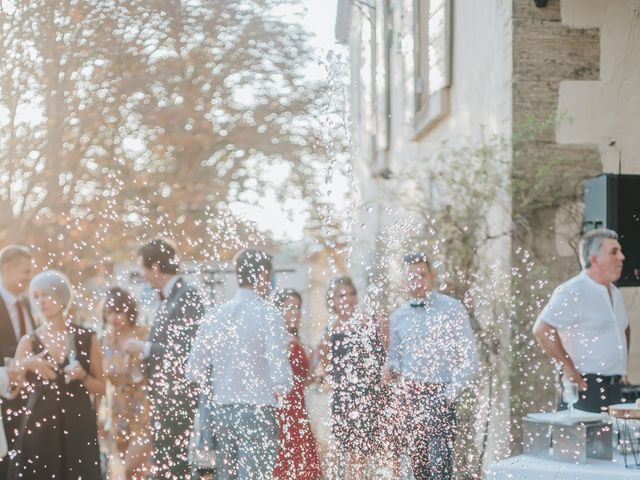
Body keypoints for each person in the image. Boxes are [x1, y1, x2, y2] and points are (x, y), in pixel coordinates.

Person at [186, 249, 292, 480]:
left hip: (222, 410)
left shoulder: (216, 315)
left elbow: (193, 370)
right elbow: (281, 376)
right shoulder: (269, 315)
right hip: (259, 408)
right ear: (264, 275)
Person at [386, 253, 480, 480]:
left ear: (431, 276)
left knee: (440, 469)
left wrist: (450, 394)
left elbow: (471, 358)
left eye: (421, 275)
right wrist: (390, 369)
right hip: (410, 397)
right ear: (404, 281)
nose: (417, 281)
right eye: (411, 277)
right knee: (416, 469)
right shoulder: (398, 316)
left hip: (441, 394)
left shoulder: (453, 309)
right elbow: (395, 359)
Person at [9, 270, 105, 479]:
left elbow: (101, 388)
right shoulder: (28, 341)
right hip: (40, 425)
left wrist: (83, 377)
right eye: (36, 296)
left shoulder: (86, 337)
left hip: (78, 423)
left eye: (47, 294)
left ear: (62, 297)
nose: (41, 301)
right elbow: (12, 389)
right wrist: (26, 364)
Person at [124, 239, 205, 480]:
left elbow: (186, 350)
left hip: (178, 395)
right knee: (165, 458)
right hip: (163, 395)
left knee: (173, 459)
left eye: (143, 267)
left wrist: (144, 347)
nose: (142, 275)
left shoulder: (187, 295)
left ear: (156, 267)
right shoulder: (169, 297)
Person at [533, 228, 630, 413]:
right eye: (614, 252)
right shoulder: (572, 290)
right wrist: (569, 368)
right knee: (587, 442)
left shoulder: (615, 293)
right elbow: (542, 330)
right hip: (585, 386)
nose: (622, 257)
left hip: (616, 386)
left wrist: (623, 367)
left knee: (617, 442)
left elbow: (624, 327)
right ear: (594, 259)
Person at [318, 276, 386, 480]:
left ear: (356, 297)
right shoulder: (329, 333)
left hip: (371, 397)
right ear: (332, 301)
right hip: (345, 402)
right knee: (351, 455)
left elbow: (385, 359)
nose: (346, 299)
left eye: (350, 294)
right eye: (341, 296)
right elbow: (326, 368)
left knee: (376, 454)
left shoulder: (372, 324)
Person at [272, 289, 322, 480]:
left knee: (302, 468)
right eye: (289, 307)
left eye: (298, 307)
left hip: (299, 410)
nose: (295, 312)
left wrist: (314, 358)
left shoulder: (298, 340)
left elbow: (304, 381)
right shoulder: (275, 340)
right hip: (281, 410)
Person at [102, 287, 151, 479]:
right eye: (109, 313)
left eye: (118, 312)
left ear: (129, 311)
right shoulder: (106, 339)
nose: (114, 318)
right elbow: (104, 374)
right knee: (124, 466)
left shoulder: (144, 334)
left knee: (132, 464)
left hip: (143, 405)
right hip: (118, 407)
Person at [0, 246, 35, 478]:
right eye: (25, 271)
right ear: (6, 269)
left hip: (28, 395)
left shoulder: (29, 303)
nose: (28, 277)